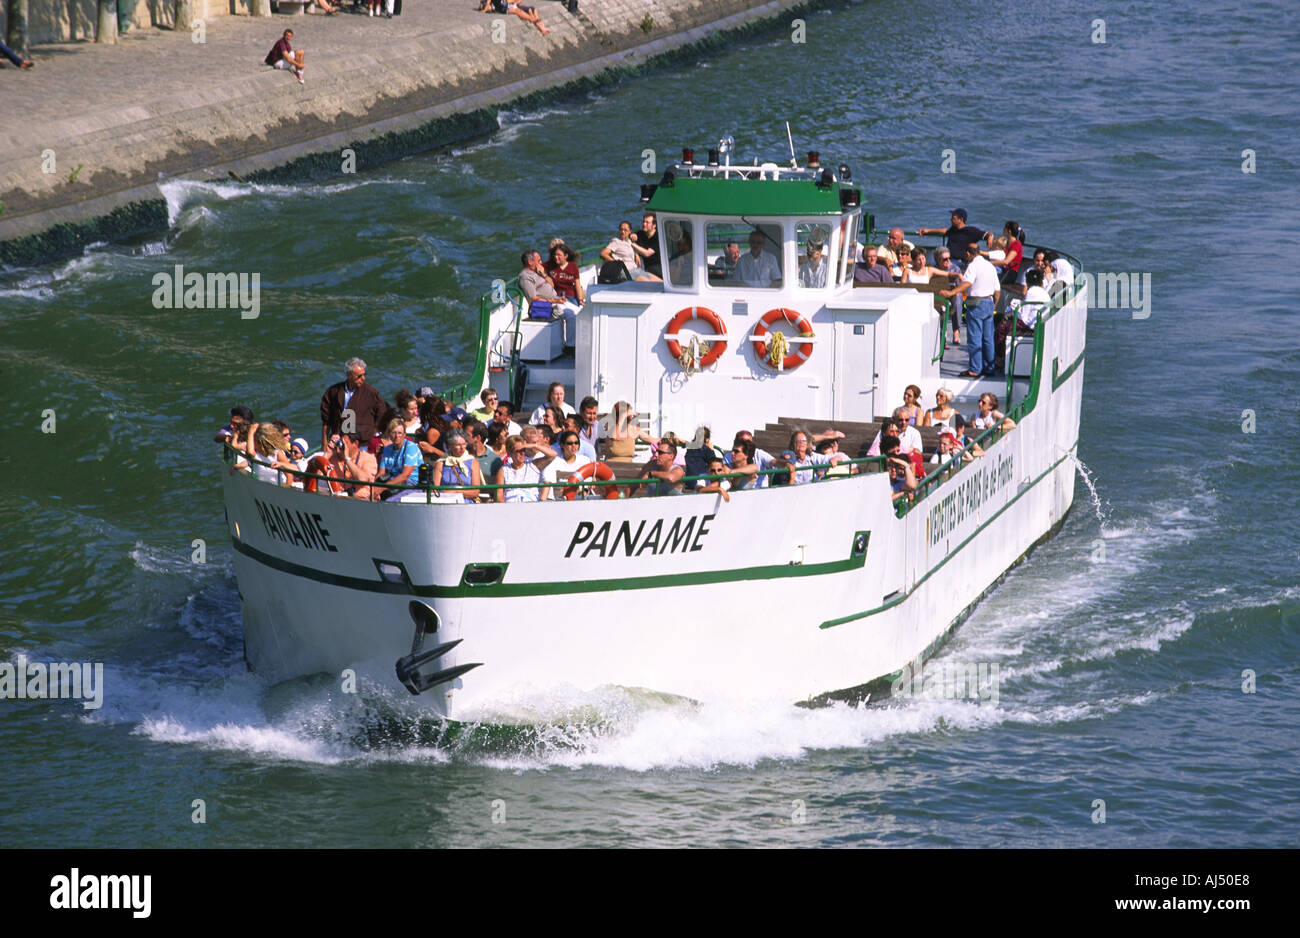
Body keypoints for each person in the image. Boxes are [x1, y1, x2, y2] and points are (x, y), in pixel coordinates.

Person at [940, 242, 1000, 377]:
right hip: (988, 302)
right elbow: (997, 290)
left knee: (975, 337)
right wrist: (994, 305)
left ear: (968, 253)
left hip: (976, 304)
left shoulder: (973, 266)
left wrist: (951, 293)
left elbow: (967, 283)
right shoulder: (990, 266)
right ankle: (989, 368)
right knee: (988, 338)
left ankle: (975, 368)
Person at [320, 357, 388, 452]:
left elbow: (382, 414)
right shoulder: (333, 392)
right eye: (359, 376)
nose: (363, 378)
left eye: (364, 375)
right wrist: (324, 442)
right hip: (339, 441)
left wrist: (374, 433)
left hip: (363, 444)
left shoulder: (371, 393)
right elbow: (326, 419)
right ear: (349, 375)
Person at [996, 268, 1049, 370]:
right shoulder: (1043, 293)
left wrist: (1014, 309)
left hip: (1030, 326)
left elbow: (1024, 316)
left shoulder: (1031, 292)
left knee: (1002, 328)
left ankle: (1000, 359)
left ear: (1028, 282)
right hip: (1039, 322)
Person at [918, 208, 991, 271]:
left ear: (961, 220)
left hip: (959, 262)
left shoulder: (971, 231)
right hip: (947, 259)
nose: (951, 220)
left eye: (953, 218)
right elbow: (944, 231)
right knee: (931, 267)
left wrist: (990, 237)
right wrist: (928, 230)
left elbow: (986, 234)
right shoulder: (953, 230)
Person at [777, 429, 848, 484]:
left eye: (804, 440)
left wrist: (834, 459)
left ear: (807, 443)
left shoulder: (812, 457)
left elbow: (837, 457)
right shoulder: (789, 457)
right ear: (793, 444)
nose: (801, 443)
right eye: (798, 440)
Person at [432, 429, 484, 502]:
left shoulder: (473, 462)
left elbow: (475, 492)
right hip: (446, 502)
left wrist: (455, 492)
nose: (462, 447)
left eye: (464, 444)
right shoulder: (441, 463)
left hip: (467, 504)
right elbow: (434, 490)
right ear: (450, 446)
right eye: (458, 445)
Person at [375, 418, 422, 497]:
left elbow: (405, 476)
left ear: (404, 434)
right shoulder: (387, 449)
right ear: (389, 434)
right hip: (392, 484)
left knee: (389, 501)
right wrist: (374, 486)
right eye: (394, 433)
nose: (397, 436)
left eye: (400, 433)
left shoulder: (411, 447)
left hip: (411, 485)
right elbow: (381, 473)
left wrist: (382, 488)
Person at [495, 435, 550, 502]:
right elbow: (499, 496)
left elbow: (552, 455)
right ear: (509, 453)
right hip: (510, 506)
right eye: (518, 451)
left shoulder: (533, 465)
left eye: (523, 450)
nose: (522, 453)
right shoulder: (503, 470)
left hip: (531, 506)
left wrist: (534, 446)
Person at [542, 431, 595, 498]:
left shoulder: (585, 460)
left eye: (576, 443)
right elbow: (548, 484)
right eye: (570, 443)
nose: (574, 446)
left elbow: (585, 488)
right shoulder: (554, 462)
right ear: (562, 445)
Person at [327, 432, 378, 500]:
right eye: (341, 442)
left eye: (346, 443)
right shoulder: (334, 457)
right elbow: (315, 475)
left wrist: (347, 459)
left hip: (361, 500)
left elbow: (363, 479)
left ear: (356, 443)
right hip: (337, 498)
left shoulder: (368, 458)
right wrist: (327, 454)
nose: (342, 446)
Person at [479, 0, 551, 34]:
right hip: (503, 7)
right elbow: (489, 2)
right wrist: (485, 10)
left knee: (531, 10)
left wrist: (515, 2)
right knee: (519, 11)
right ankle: (532, 19)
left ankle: (542, 28)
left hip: (510, 5)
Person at [632, 213, 662, 279]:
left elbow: (647, 253)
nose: (644, 224)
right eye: (643, 222)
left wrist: (633, 245)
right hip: (645, 264)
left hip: (658, 267)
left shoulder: (658, 236)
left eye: (647, 223)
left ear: (654, 225)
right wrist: (635, 254)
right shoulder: (641, 233)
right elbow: (630, 237)